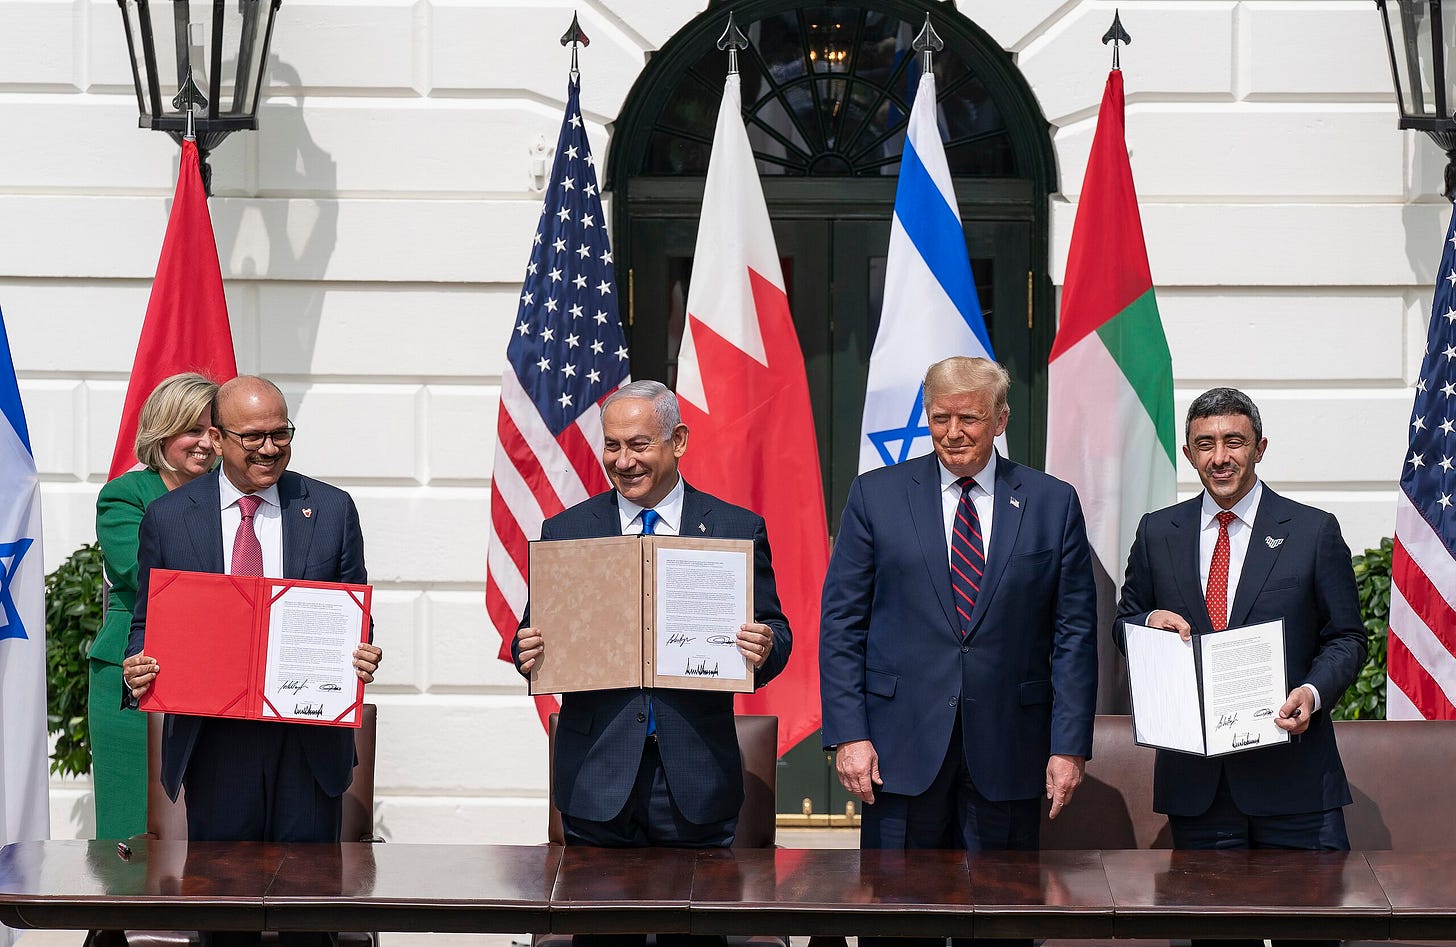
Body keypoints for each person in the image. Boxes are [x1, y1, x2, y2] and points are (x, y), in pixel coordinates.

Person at [123, 375, 382, 947]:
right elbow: (147, 622)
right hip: (217, 746)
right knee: (224, 918)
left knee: (307, 919)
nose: (270, 449)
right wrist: (136, 664)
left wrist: (362, 649)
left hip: (307, 745)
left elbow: (352, 613)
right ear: (216, 438)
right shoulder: (169, 517)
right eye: (253, 437)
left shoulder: (332, 509)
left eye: (281, 434)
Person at [820, 357, 1098, 875]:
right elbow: (842, 625)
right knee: (900, 921)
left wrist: (1069, 746)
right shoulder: (875, 497)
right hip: (897, 753)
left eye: (968, 419)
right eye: (939, 418)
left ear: (1000, 420)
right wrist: (848, 734)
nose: (952, 433)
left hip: (1010, 750)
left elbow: (1074, 636)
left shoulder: (1051, 503)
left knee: (1000, 918)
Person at [1115, 387, 1365, 947]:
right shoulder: (1159, 532)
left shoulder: (1312, 530)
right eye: (1205, 444)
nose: (1220, 456)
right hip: (1200, 788)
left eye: (1235, 442)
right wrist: (1148, 621)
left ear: (1260, 448)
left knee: (1313, 937)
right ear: (1188, 452)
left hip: (1297, 784)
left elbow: (1347, 637)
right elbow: (1124, 622)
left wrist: (1312, 691)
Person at [514, 379, 791, 854]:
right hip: (596, 779)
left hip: (697, 778)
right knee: (602, 930)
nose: (624, 462)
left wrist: (764, 646)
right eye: (613, 446)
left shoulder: (734, 529)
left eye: (639, 445)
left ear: (678, 441)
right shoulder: (567, 531)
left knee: (695, 927)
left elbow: (777, 632)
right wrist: (529, 651)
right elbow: (532, 632)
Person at [91, 372, 219, 839]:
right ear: (162, 432)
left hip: (218, 670)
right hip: (136, 670)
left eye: (215, 430)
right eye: (192, 429)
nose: (206, 443)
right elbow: (140, 575)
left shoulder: (238, 500)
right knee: (132, 822)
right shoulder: (126, 495)